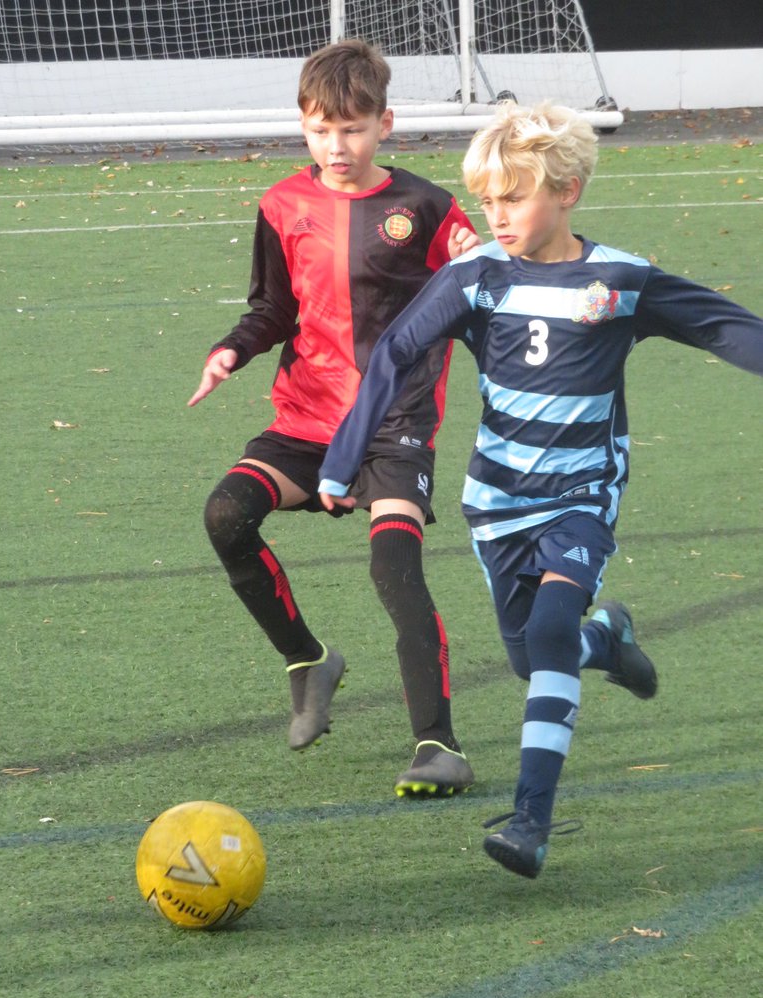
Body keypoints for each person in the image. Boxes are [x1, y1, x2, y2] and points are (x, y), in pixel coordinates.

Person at [318, 100, 763, 875]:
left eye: (513, 197)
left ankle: (530, 819)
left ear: (569, 190)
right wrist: (341, 457)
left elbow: (725, 327)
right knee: (533, 657)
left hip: (582, 493)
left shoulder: (620, 280)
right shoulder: (476, 277)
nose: (497, 214)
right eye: (487, 199)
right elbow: (394, 351)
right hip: (496, 501)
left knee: (549, 631)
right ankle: (607, 641)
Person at [189, 40, 481, 796]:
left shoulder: (426, 208)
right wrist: (232, 350)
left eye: (352, 129)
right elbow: (272, 310)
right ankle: (309, 661)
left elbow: (483, 283)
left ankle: (436, 746)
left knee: (395, 568)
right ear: (303, 126)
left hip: (394, 423)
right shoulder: (282, 206)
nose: (337, 146)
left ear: (386, 124)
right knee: (226, 515)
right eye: (322, 130)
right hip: (308, 419)